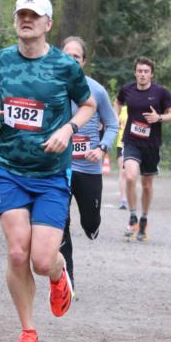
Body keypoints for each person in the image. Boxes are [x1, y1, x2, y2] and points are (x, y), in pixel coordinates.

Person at [0, 0, 96, 342]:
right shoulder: (0, 61)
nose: (26, 20)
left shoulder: (65, 66)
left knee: (42, 261)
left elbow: (88, 104)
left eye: (34, 16)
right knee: (17, 252)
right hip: (10, 170)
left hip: (50, 175)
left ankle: (60, 275)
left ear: (48, 24)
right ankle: (28, 334)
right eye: (21, 15)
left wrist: (69, 129)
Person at [59, 37, 119, 295]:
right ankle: (67, 280)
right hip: (59, 167)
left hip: (89, 167)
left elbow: (113, 124)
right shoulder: (50, 88)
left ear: (83, 61)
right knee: (61, 222)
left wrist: (102, 148)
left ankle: (92, 224)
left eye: (76, 56)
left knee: (89, 222)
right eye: (67, 55)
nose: (71, 59)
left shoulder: (96, 90)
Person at [114, 57, 171, 242]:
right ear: (135, 73)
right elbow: (117, 102)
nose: (142, 74)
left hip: (151, 144)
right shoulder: (127, 89)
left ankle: (144, 218)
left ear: (151, 74)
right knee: (130, 176)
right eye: (139, 71)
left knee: (147, 184)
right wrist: (115, 117)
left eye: (146, 71)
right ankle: (132, 215)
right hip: (131, 141)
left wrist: (159, 118)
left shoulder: (161, 92)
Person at [116, 105, 128, 209]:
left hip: (136, 145)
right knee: (123, 172)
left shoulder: (140, 109)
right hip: (122, 145)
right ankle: (123, 199)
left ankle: (130, 195)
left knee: (131, 174)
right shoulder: (121, 110)